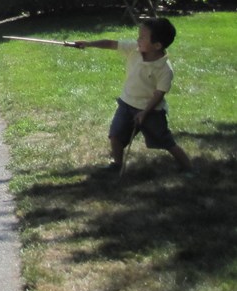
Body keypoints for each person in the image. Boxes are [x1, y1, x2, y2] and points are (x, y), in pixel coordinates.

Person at [73, 18, 192, 174]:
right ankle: (117, 165)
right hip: (127, 104)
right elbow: (111, 44)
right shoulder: (134, 49)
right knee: (115, 136)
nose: (138, 39)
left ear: (157, 45)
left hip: (152, 111)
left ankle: (189, 168)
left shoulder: (164, 69)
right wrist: (89, 43)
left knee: (165, 141)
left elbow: (159, 94)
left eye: (142, 37)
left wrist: (145, 112)